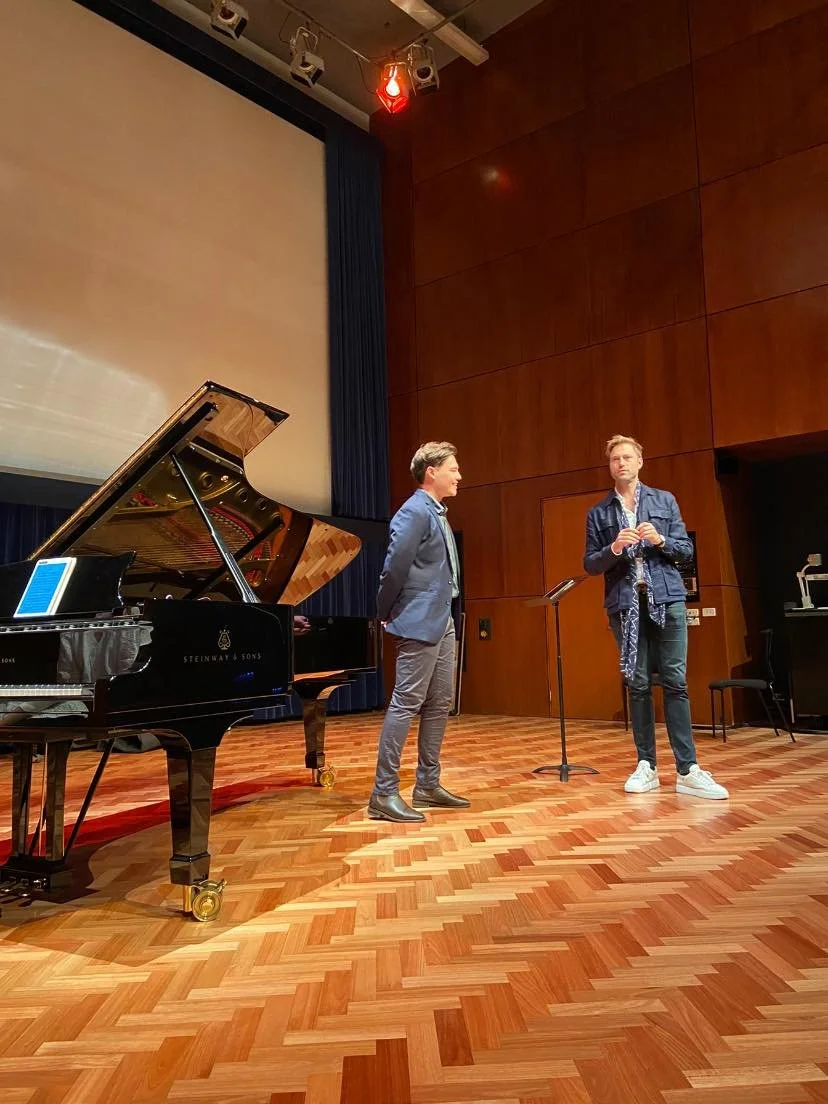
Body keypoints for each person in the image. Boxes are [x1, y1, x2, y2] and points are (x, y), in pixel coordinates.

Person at [583, 434, 728, 799]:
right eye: (615, 458)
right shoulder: (598, 513)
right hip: (625, 606)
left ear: (640, 461)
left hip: (668, 599)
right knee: (639, 684)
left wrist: (660, 540)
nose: (621, 463)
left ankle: (688, 769)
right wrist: (614, 547)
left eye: (627, 457)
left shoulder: (665, 500)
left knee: (676, 682)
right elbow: (589, 564)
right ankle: (646, 765)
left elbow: (686, 551)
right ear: (610, 466)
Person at [368, 441, 470, 823]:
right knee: (405, 703)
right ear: (432, 472)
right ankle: (383, 793)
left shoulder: (437, 512)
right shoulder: (413, 512)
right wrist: (384, 611)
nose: (459, 475)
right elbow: (393, 569)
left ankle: (427, 784)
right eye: (453, 468)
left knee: (440, 702)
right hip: (418, 618)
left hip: (442, 619)